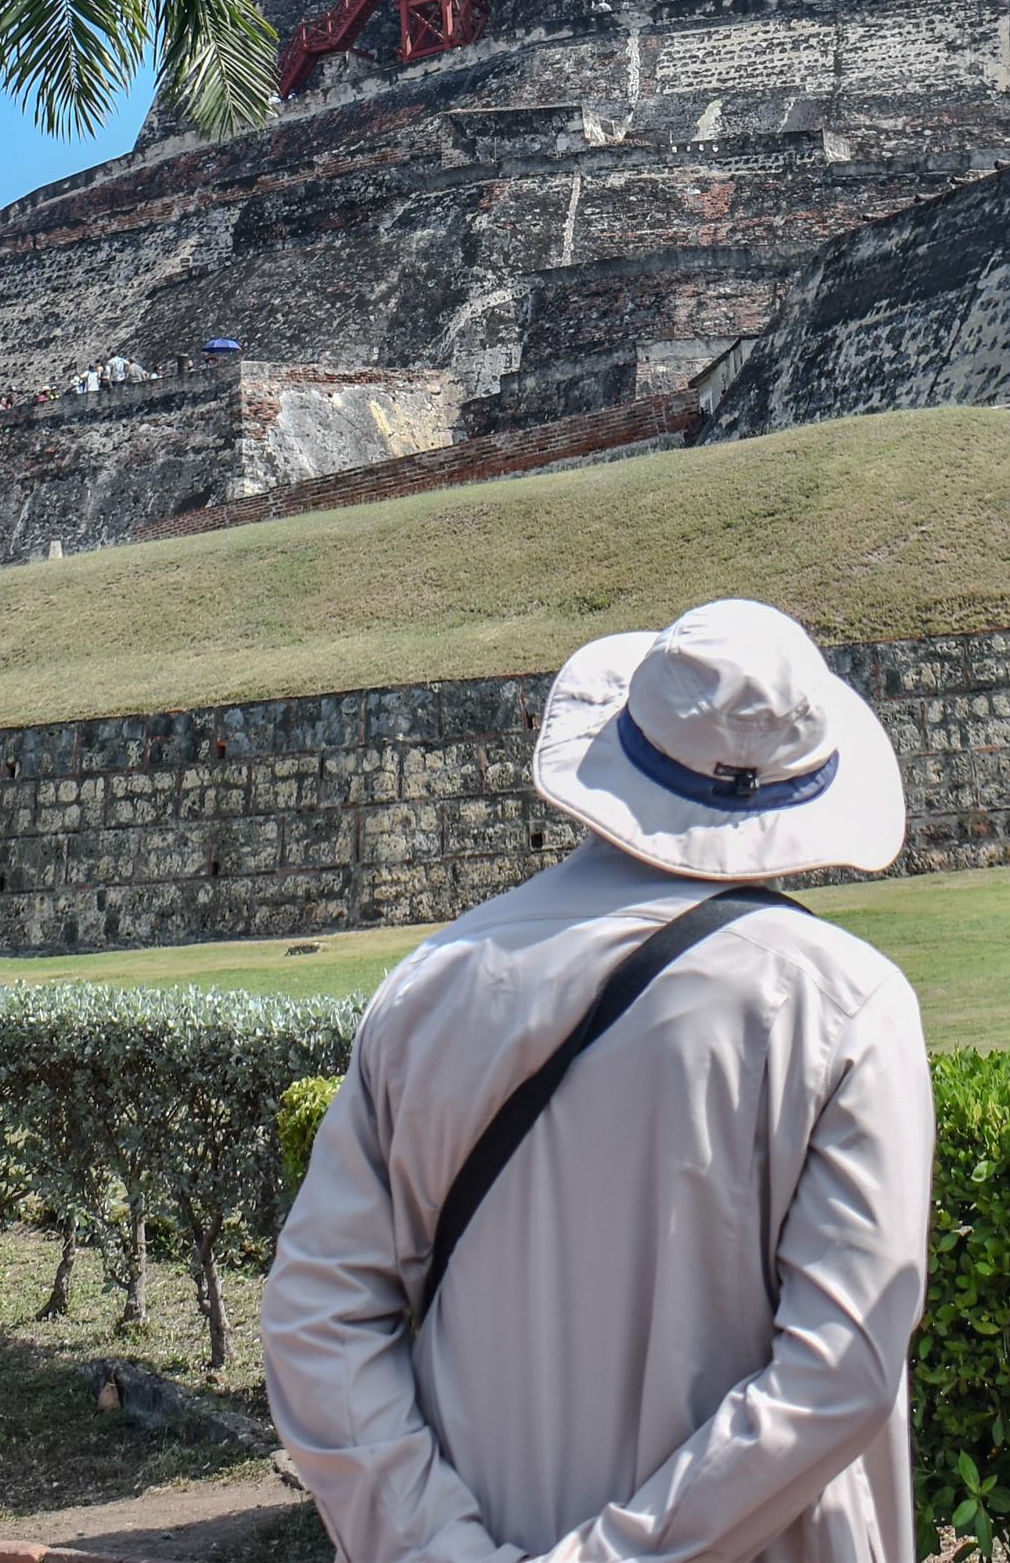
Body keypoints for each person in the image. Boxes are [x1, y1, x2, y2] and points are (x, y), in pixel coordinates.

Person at [265, 600, 935, 1563]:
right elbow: (839, 1373)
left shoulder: (432, 986)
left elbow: (316, 1321)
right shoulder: (847, 1008)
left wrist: (437, 1548)